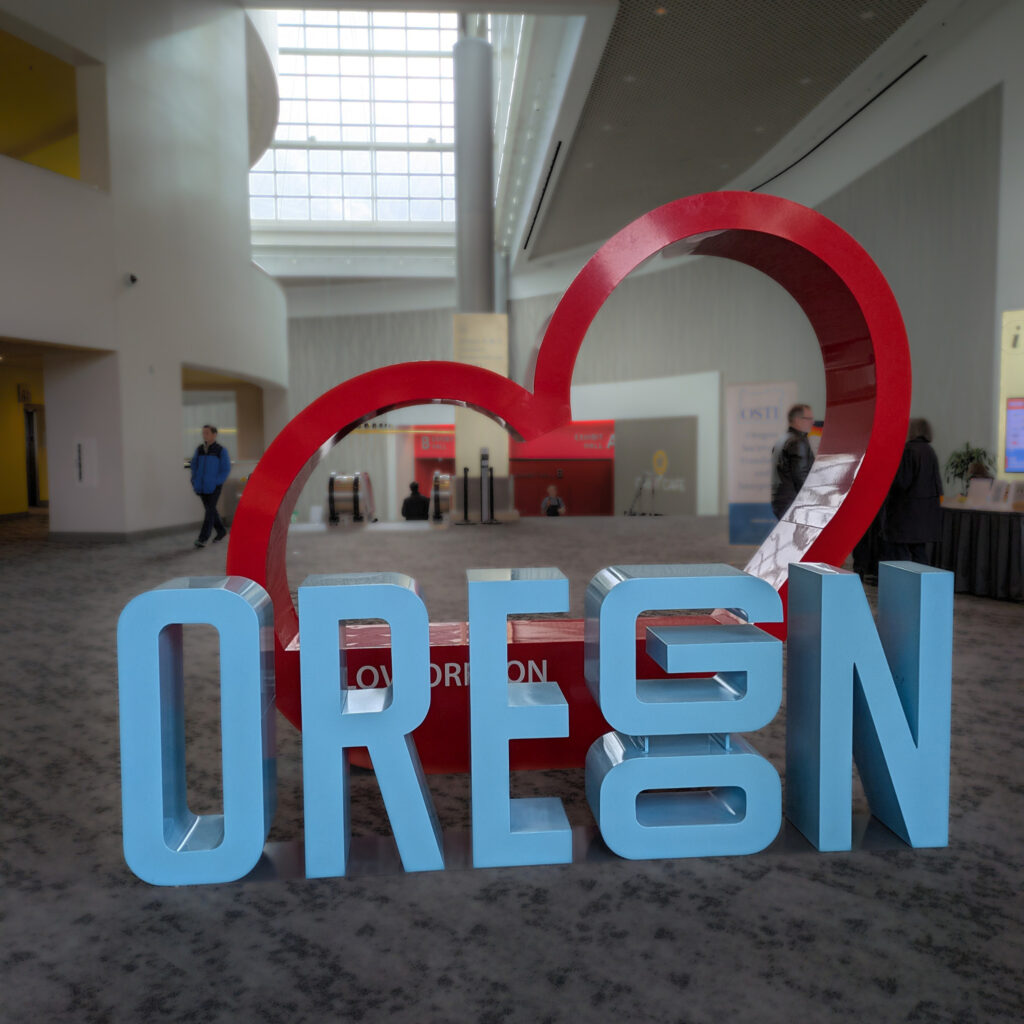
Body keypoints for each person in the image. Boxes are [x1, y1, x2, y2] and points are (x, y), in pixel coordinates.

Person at [881, 417, 943, 564]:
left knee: (900, 556)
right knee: (919, 554)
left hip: (905, 514)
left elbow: (902, 483)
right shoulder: (930, 451)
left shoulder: (909, 451)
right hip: (925, 514)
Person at [770, 404, 815, 519]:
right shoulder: (798, 442)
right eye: (809, 418)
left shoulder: (783, 439)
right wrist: (813, 500)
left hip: (780, 501)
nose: (812, 422)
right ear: (797, 420)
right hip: (794, 503)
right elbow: (800, 476)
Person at [190, 424, 231, 548]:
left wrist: (217, 481)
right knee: (211, 510)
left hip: (214, 486)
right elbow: (194, 465)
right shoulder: (199, 449)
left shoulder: (220, 450)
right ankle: (221, 531)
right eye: (203, 433)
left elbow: (225, 469)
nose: (204, 435)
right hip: (201, 486)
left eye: (207, 433)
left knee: (209, 511)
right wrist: (194, 480)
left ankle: (202, 539)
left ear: (214, 434)